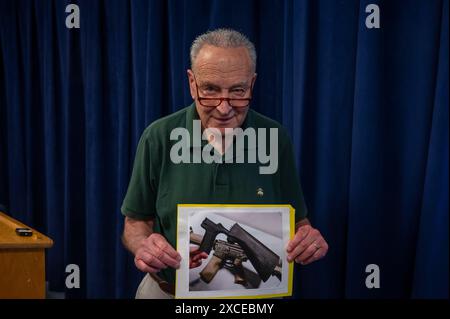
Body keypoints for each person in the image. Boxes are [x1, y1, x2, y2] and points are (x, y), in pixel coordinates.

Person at [121, 28, 328, 299]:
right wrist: (143, 246)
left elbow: (297, 221)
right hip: (167, 292)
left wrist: (308, 239)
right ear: (192, 83)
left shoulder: (276, 138)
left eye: (238, 91)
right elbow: (135, 222)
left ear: (252, 85)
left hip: (254, 299)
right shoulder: (158, 137)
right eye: (210, 89)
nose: (223, 107)